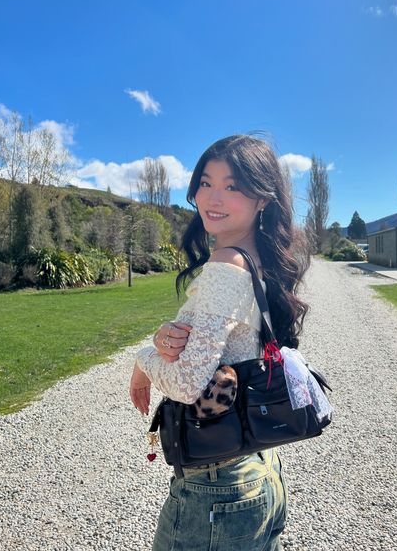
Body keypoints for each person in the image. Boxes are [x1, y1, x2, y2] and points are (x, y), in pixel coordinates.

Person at [130, 134, 310, 550]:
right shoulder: (258, 258)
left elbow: (187, 384)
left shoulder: (226, 266)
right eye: (206, 182)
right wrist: (162, 337)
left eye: (233, 186)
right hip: (260, 469)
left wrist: (142, 361)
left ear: (262, 199)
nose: (213, 196)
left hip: (218, 489)